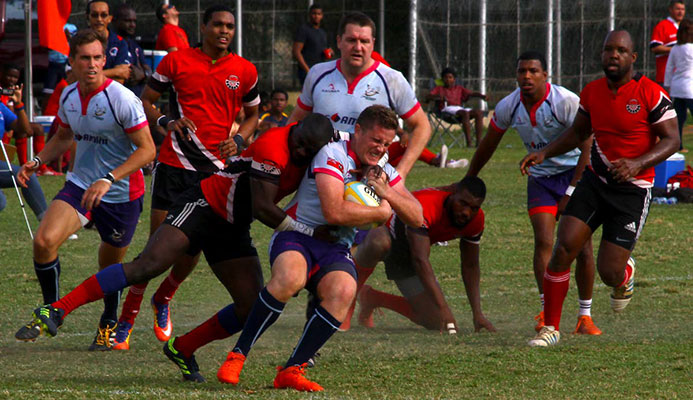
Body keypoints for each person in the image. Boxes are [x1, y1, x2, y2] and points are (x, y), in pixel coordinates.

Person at [17, 115, 335, 382]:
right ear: (295, 130)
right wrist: (307, 231)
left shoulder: (318, 151)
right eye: (300, 143)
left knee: (251, 306)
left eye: (310, 149)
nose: (302, 151)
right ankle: (57, 309)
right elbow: (264, 207)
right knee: (148, 265)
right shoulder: (273, 146)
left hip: (233, 225)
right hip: (204, 206)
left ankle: (182, 348)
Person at [215, 105, 423, 392]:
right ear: (358, 131)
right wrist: (381, 213)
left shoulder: (382, 170)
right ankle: (238, 354)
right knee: (290, 279)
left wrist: (387, 193)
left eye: (387, 143)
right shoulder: (333, 152)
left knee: (344, 291)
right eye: (376, 140)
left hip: (335, 247)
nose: (381, 148)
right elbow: (334, 211)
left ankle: (292, 369)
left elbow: (418, 216)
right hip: (299, 235)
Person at [115, 4, 260, 350]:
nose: (224, 31)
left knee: (190, 252)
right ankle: (127, 317)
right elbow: (146, 101)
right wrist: (167, 122)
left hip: (214, 173)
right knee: (155, 252)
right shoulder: (176, 61)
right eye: (218, 24)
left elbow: (255, 114)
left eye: (230, 26)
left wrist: (240, 139)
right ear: (205, 26)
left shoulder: (244, 70)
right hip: (174, 168)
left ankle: (164, 298)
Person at [521, 30, 679, 347]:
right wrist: (545, 152)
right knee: (563, 248)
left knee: (609, 271)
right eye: (608, 49)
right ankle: (550, 328)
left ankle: (624, 275)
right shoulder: (592, 92)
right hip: (595, 182)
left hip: (633, 190)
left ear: (633, 57)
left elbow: (673, 140)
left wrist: (637, 164)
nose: (613, 55)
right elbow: (579, 131)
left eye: (621, 50)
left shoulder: (651, 93)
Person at [13, 29, 156, 349]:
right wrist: (37, 160)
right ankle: (51, 309)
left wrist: (109, 178)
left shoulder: (121, 99)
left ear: (104, 60)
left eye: (97, 58)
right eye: (84, 58)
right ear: (72, 63)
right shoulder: (68, 96)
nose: (92, 64)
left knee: (110, 268)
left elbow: (147, 151)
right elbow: (63, 137)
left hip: (120, 194)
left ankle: (108, 322)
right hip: (80, 184)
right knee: (44, 240)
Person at [467, 51, 601, 335]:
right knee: (544, 241)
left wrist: (573, 190)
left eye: (533, 71)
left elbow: (588, 145)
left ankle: (584, 316)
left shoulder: (565, 101)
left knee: (581, 247)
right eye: (521, 71)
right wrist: (468, 177)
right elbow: (489, 143)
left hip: (574, 175)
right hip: (540, 179)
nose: (526, 77)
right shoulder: (509, 106)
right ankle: (545, 309)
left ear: (545, 75)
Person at [288, 11, 431, 179]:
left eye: (364, 41)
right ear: (339, 41)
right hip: (320, 174)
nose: (358, 47)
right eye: (351, 40)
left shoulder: (392, 79)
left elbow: (422, 126)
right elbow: (294, 123)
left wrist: (402, 172)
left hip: (367, 177)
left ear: (372, 44)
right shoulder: (317, 73)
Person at [352, 176, 495, 334]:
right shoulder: (428, 205)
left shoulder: (475, 220)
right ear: (452, 194)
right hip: (388, 229)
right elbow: (420, 260)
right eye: (463, 203)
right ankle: (345, 301)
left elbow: (470, 265)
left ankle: (372, 298)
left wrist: (477, 314)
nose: (466, 212)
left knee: (436, 321)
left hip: (407, 251)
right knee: (378, 242)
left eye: (474, 208)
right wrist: (444, 308)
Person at [0, 84, 47, 222]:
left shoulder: (1, 108)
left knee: (1, 203)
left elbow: (26, 130)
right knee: (27, 175)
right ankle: (48, 224)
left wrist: (18, 103)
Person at [426, 67, 487, 148]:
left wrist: (481, 96)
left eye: (450, 77)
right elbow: (428, 96)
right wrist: (438, 96)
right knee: (465, 113)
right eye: (445, 77)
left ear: (454, 79)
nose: (448, 79)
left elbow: (471, 94)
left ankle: (479, 143)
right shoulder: (439, 88)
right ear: (442, 79)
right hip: (446, 110)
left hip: (459, 110)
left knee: (479, 112)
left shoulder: (459, 88)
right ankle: (469, 143)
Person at [85, 0, 133, 84]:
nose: (99, 19)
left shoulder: (120, 43)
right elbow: (73, 77)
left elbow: (121, 78)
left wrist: (89, 76)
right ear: (88, 17)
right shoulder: (79, 42)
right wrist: (113, 72)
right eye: (94, 15)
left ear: (110, 18)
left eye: (103, 15)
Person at [664, 18, 693, 153]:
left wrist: (668, 85)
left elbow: (669, 68)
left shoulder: (675, 48)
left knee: (679, 119)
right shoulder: (691, 48)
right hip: (690, 88)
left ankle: (679, 146)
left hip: (677, 88)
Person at [113, 4, 151, 97]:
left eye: (134, 21)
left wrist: (143, 74)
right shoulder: (110, 43)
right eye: (127, 21)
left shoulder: (135, 47)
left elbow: (149, 71)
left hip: (136, 100)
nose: (132, 25)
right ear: (115, 21)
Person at [293, 4, 332, 86]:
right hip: (307, 72)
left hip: (320, 71)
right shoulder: (303, 30)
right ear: (309, 15)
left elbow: (325, 51)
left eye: (318, 14)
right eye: (314, 13)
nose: (316, 16)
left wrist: (329, 52)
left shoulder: (322, 32)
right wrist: (308, 70)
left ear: (322, 16)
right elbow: (296, 52)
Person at [651, 0, 686, 85]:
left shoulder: (686, 27)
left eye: (683, 9)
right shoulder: (662, 26)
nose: (680, 12)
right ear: (670, 9)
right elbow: (655, 48)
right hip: (666, 79)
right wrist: (675, 49)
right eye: (678, 9)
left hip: (684, 79)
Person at [42, 23, 78, 106]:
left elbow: (76, 43)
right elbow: (46, 45)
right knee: (48, 92)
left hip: (66, 62)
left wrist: (68, 37)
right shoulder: (52, 25)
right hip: (53, 63)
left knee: (67, 88)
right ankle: (46, 113)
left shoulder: (72, 27)